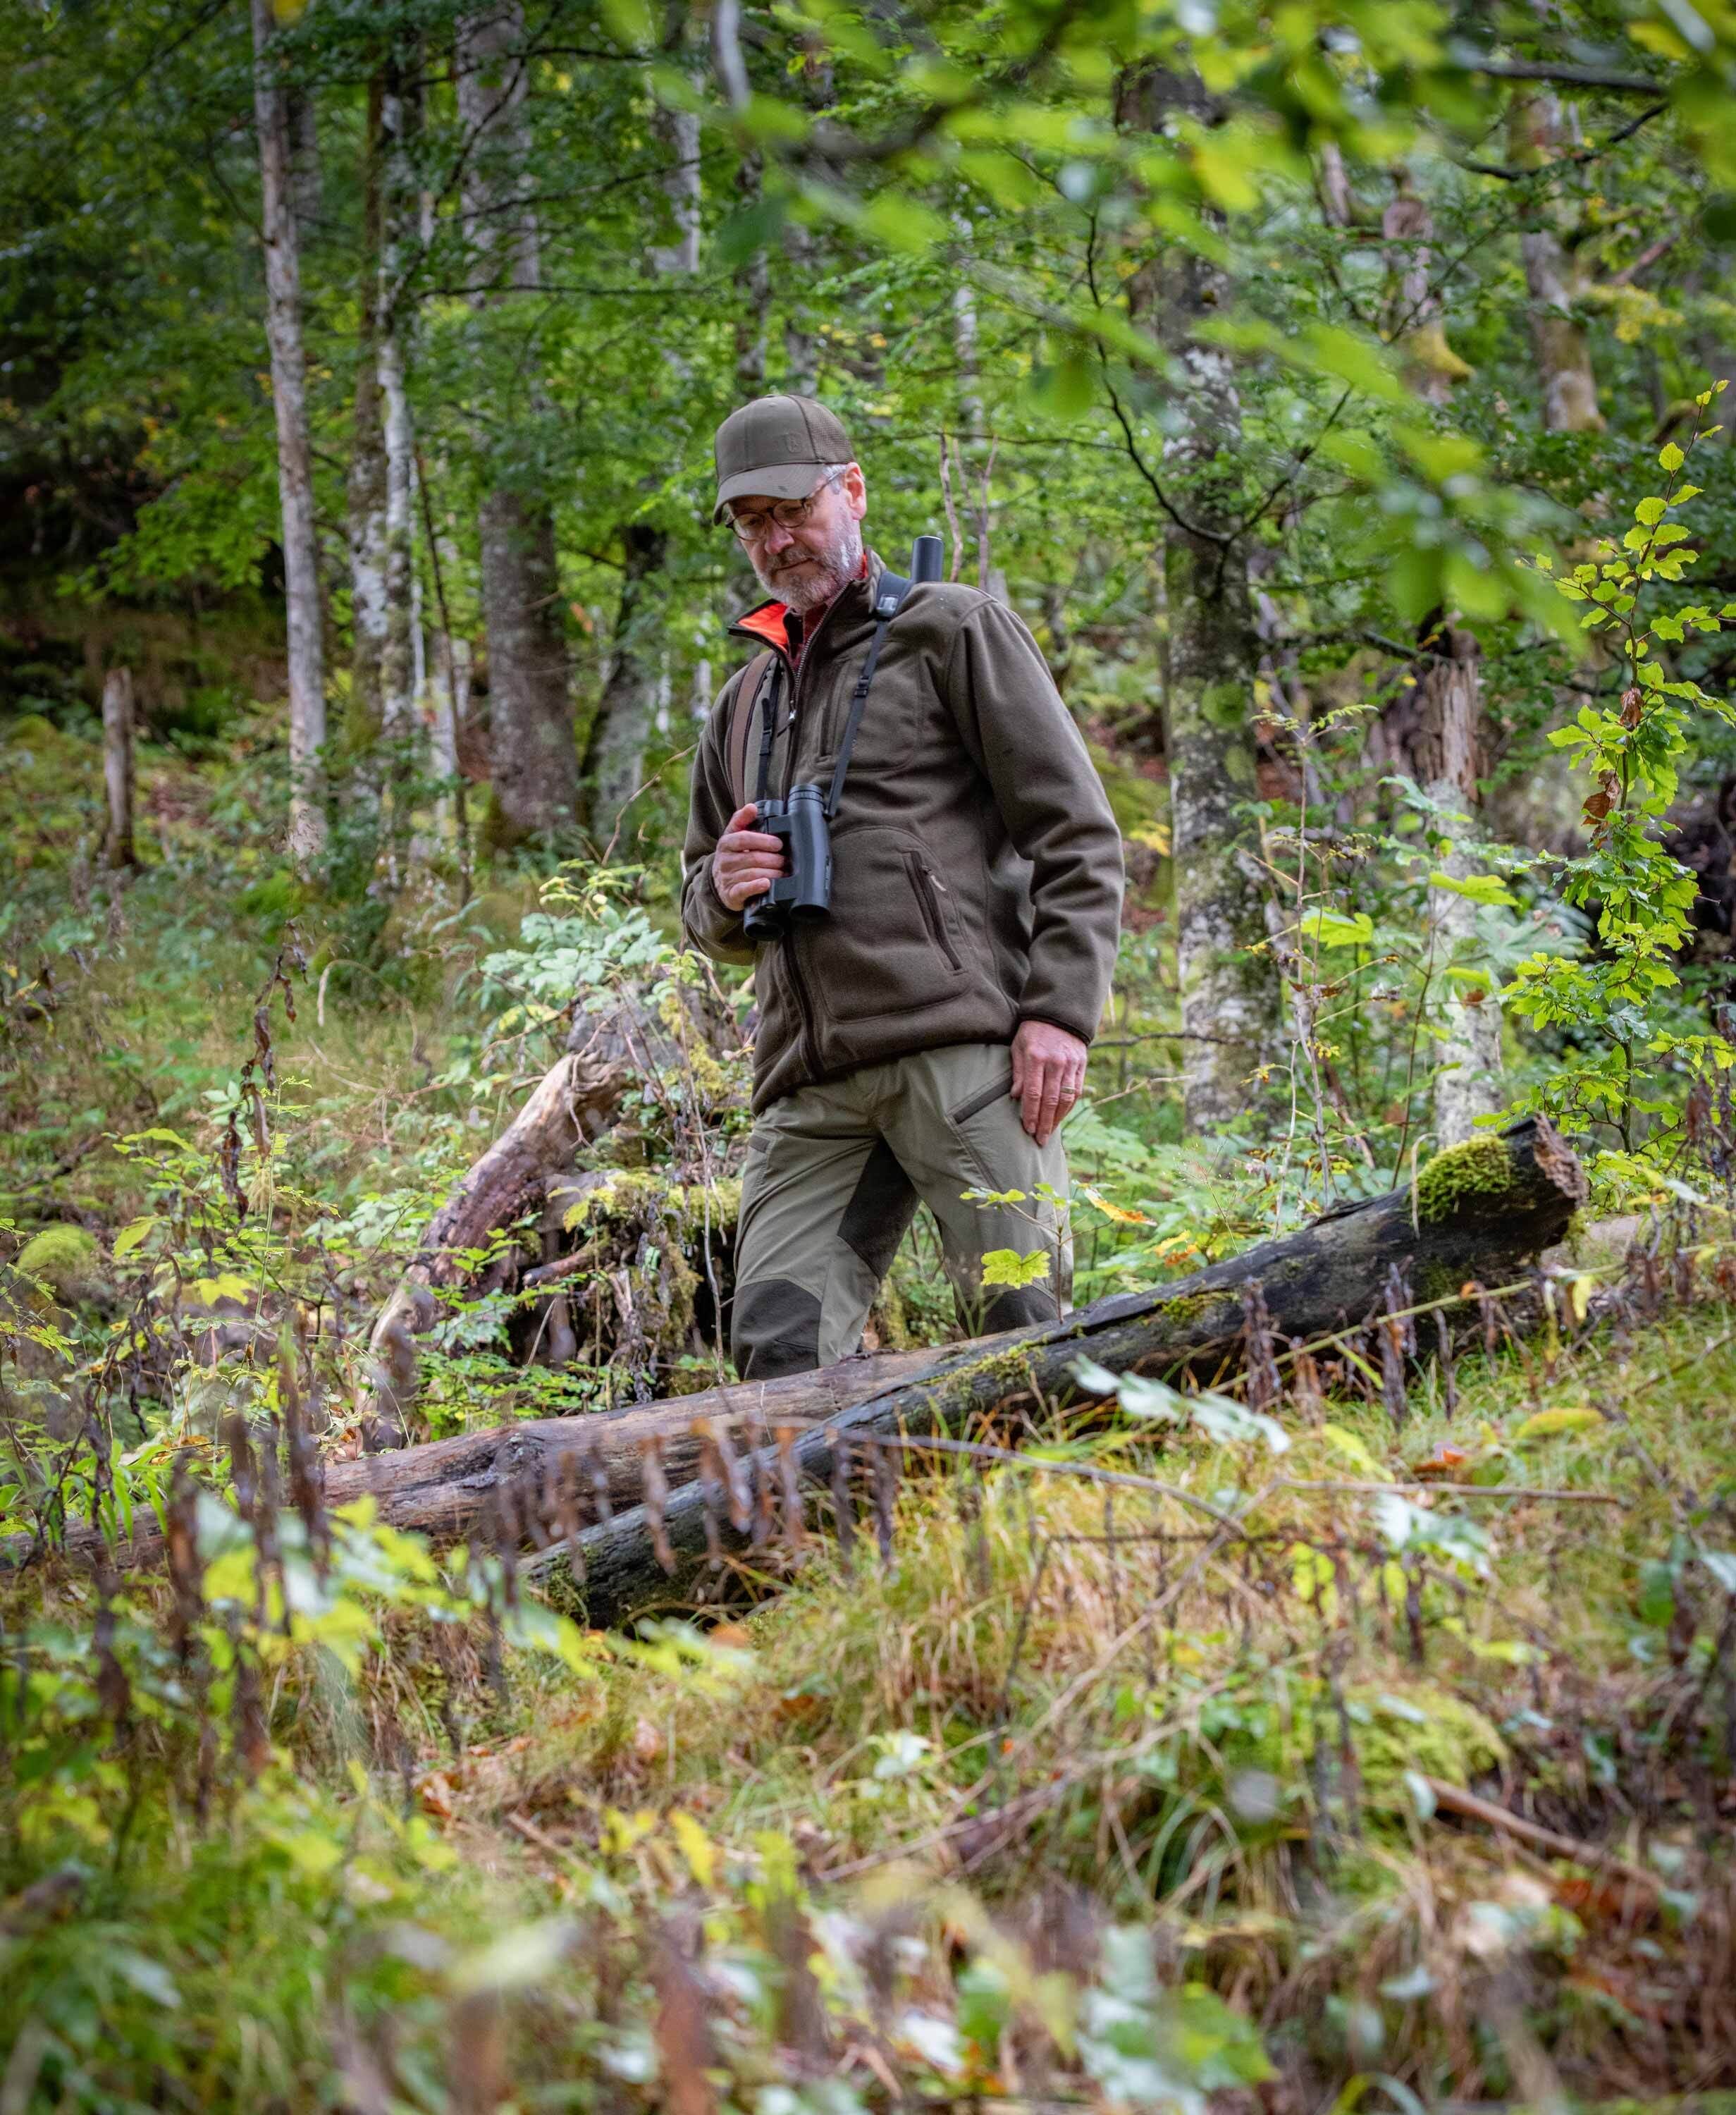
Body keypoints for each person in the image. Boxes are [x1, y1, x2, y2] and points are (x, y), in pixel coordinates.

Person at [681, 393, 1124, 1378]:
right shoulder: (743, 702)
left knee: (1027, 1325)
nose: (778, 538)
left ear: (853, 491)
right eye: (754, 522)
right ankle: (831, 1537)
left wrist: (1060, 1013)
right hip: (809, 1082)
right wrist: (722, 886)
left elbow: (1077, 833)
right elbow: (700, 905)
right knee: (775, 1351)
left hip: (961, 1056)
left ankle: (1050, 1520)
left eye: (794, 508)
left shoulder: (953, 629)